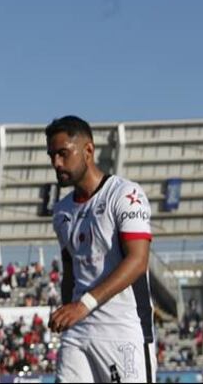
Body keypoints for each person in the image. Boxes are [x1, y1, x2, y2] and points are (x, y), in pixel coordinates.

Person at [46, 115, 156, 383]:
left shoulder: (125, 194)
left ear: (88, 150)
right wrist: (67, 309)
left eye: (63, 153)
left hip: (122, 330)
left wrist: (82, 305)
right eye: (52, 155)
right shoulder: (62, 212)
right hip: (78, 332)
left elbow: (138, 261)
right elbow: (70, 269)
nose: (56, 163)